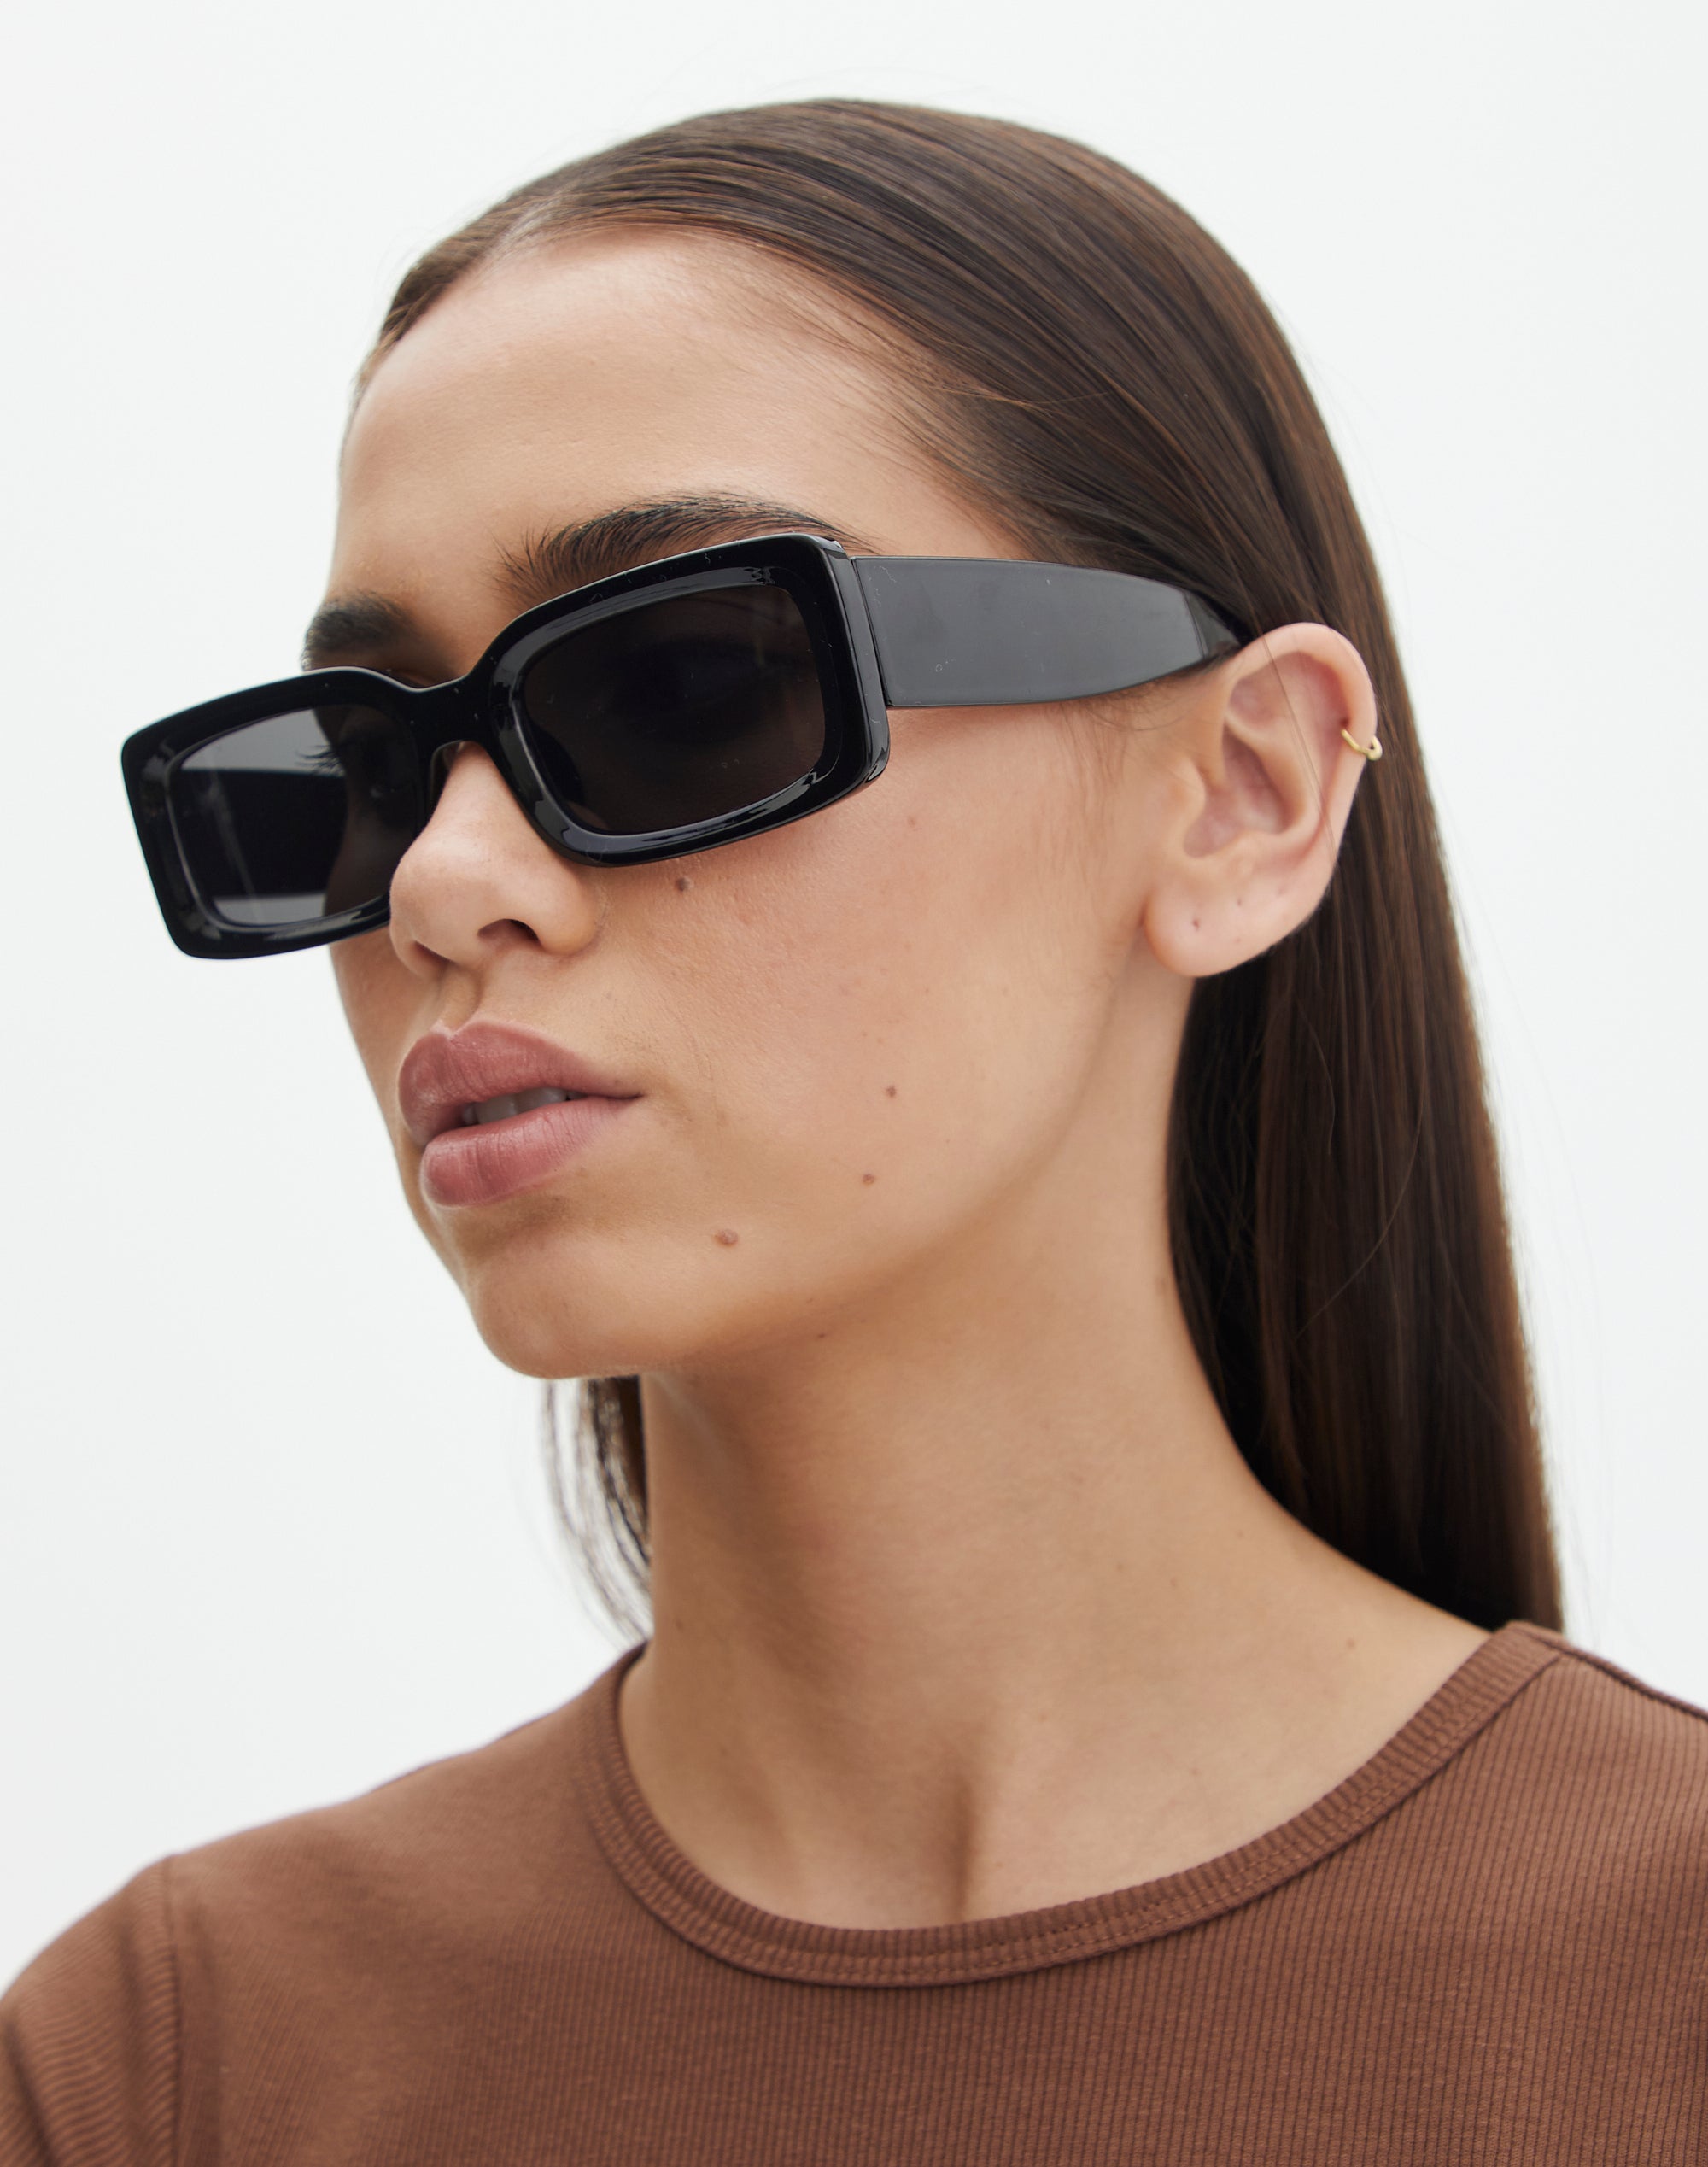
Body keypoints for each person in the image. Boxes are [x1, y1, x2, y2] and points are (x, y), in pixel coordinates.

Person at [5, 98, 1703, 2163]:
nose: (442, 883)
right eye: (360, 770)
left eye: (675, 684)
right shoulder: (165, 2072)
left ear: (1243, 796)